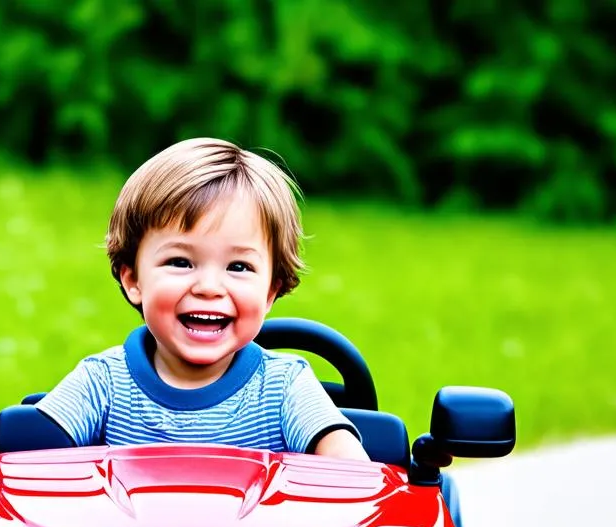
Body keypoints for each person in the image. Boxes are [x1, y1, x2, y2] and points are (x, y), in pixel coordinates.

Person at [36, 137, 370, 461]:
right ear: (133, 279)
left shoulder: (284, 388)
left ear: (270, 292)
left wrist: (342, 459)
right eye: (180, 262)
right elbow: (25, 457)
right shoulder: (103, 383)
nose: (209, 287)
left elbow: (348, 467)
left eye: (238, 266)